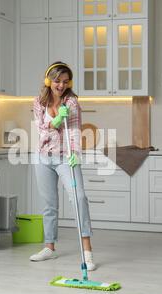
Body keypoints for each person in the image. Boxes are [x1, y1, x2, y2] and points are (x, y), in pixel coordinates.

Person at [30, 62, 96, 271]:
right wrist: (56, 120)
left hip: (66, 157)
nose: (61, 85)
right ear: (48, 81)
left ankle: (87, 252)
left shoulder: (72, 102)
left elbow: (75, 129)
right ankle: (49, 247)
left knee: (79, 198)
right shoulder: (38, 102)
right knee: (49, 204)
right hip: (43, 158)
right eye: (57, 81)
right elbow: (41, 129)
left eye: (66, 81)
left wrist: (75, 154)